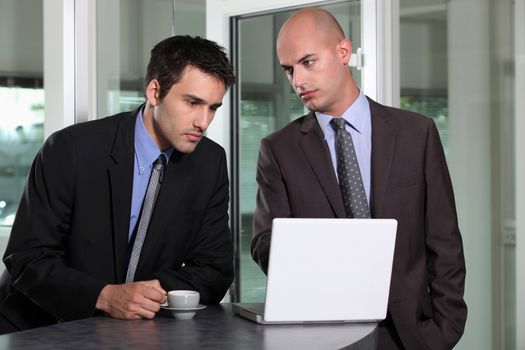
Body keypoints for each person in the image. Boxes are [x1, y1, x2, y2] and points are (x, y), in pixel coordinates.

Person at [251, 8, 467, 350]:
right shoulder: (278, 149)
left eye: (308, 62)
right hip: (320, 334)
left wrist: (444, 329)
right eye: (288, 69)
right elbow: (263, 243)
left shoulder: (416, 133)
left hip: (411, 334)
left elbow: (444, 239)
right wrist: (318, 254)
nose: (298, 81)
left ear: (343, 52)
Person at [0, 35, 235, 333]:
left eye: (213, 108)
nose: (203, 121)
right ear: (154, 92)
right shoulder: (71, 149)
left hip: (137, 333)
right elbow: (27, 258)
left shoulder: (209, 162)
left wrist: (142, 297)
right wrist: (105, 296)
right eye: (192, 102)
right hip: (37, 326)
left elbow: (215, 269)